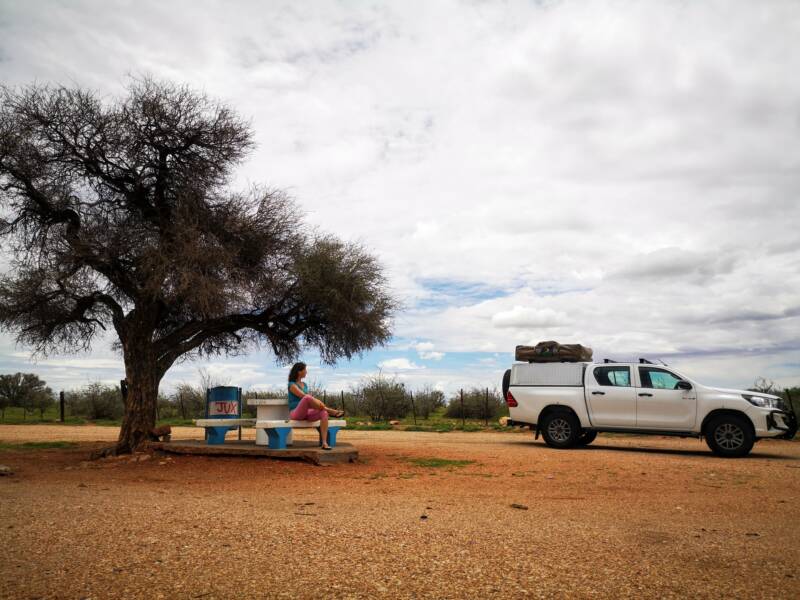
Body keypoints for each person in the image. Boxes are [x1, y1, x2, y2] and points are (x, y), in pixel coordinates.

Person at [287, 362, 344, 450]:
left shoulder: (304, 385)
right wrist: (315, 401)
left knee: (324, 413)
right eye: (305, 370)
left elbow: (310, 400)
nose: (306, 372)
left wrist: (318, 403)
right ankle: (331, 411)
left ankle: (324, 443)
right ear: (299, 372)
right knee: (307, 397)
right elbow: (303, 396)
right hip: (296, 413)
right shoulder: (291, 384)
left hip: (307, 413)